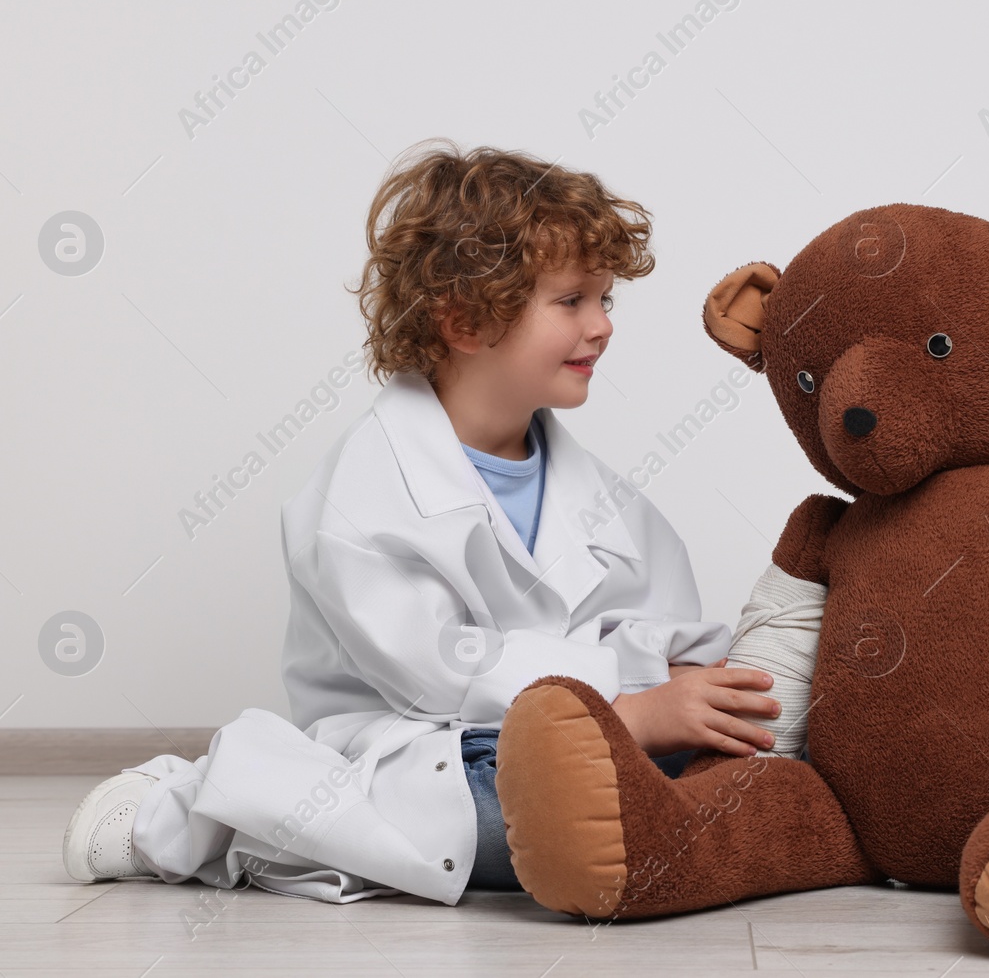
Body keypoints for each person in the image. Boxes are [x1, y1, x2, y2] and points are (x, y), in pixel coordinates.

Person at [61, 141, 785, 905]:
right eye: (572, 301)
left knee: (724, 772)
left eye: (606, 299)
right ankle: (178, 812)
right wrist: (633, 710)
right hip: (425, 750)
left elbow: (661, 631)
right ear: (466, 320)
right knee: (510, 812)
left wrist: (682, 693)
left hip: (585, 739)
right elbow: (438, 671)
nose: (602, 325)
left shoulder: (613, 504)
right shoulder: (361, 497)